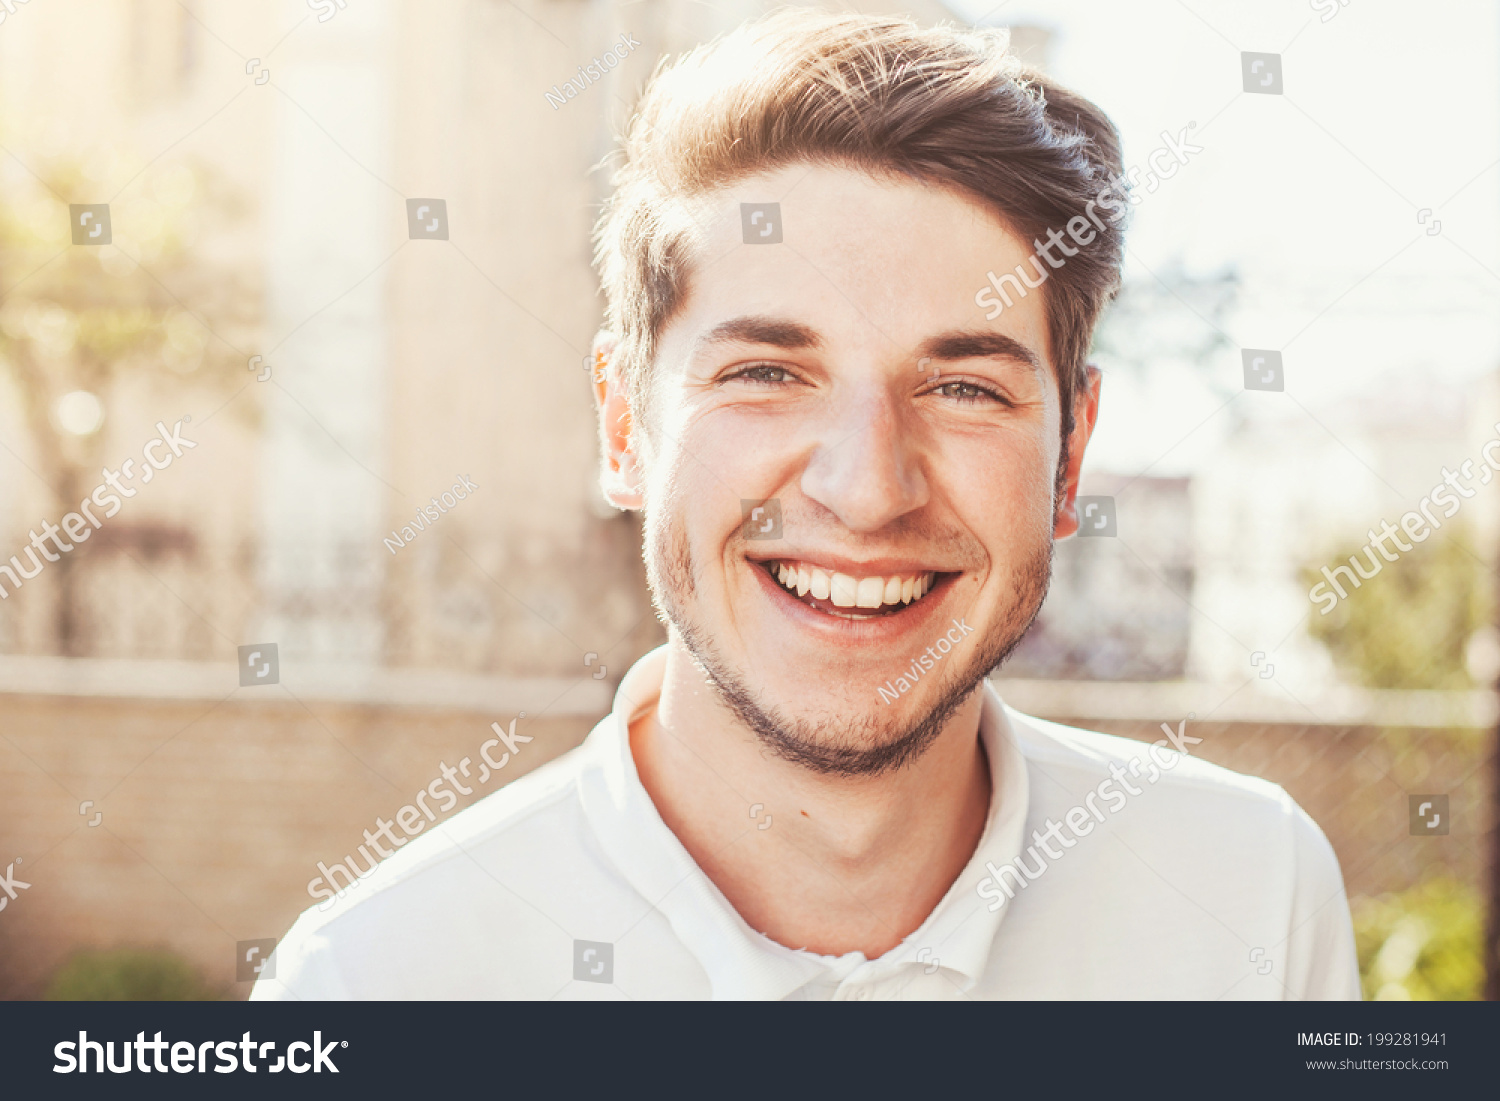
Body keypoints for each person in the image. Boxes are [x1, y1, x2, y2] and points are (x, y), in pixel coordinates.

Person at [254, 9, 1358, 1000]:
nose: (868, 488)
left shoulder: (1253, 900)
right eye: (766, 374)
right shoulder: (375, 985)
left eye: (964, 388)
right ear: (625, 429)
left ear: (1070, 461)